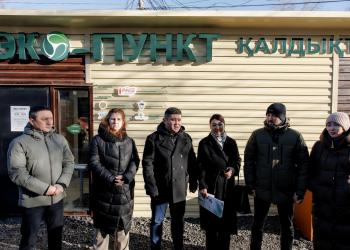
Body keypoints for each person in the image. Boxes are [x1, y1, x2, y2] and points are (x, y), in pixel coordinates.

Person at [7, 106, 74, 250]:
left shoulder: (59, 139)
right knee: (29, 240)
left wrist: (61, 185)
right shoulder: (19, 143)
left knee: (56, 238)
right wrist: (45, 189)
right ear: (32, 120)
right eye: (44, 119)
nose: (50, 122)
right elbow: (17, 173)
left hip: (57, 198)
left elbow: (69, 162)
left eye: (51, 118)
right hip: (33, 200)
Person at [244, 103, 309, 250]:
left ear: (282, 117)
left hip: (286, 190)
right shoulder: (257, 134)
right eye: (268, 115)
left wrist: (299, 191)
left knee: (287, 225)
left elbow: (304, 166)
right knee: (257, 224)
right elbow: (248, 161)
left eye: (274, 115)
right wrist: (250, 185)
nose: (270, 118)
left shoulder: (295, 136)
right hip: (262, 189)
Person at [142, 107, 197, 250]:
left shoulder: (186, 138)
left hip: (179, 187)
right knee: (157, 221)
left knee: (178, 221)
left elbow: (192, 162)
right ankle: (155, 247)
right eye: (172, 119)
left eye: (179, 120)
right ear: (165, 120)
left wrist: (193, 181)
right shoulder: (153, 139)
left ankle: (178, 247)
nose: (176, 123)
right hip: (160, 188)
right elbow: (147, 164)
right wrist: (151, 186)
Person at [89, 108, 139, 250]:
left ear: (123, 122)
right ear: (107, 120)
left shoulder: (129, 141)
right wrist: (111, 178)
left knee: (122, 233)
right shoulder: (97, 140)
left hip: (124, 192)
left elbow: (135, 161)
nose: (115, 122)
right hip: (103, 191)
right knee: (101, 233)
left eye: (118, 119)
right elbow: (94, 162)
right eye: (112, 119)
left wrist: (126, 177)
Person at [197, 114, 241, 250]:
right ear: (210, 126)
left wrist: (233, 170)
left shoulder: (231, 142)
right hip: (211, 187)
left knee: (226, 222)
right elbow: (201, 166)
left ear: (224, 125)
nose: (217, 128)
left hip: (227, 187)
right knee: (211, 222)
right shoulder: (204, 143)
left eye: (220, 124)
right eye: (214, 125)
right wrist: (203, 185)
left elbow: (237, 160)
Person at [308, 112, 350, 250]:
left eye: (336, 125)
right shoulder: (319, 147)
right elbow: (310, 171)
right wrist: (316, 187)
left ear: (345, 127)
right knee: (321, 241)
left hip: (345, 207)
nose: (332, 128)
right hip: (322, 205)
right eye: (329, 124)